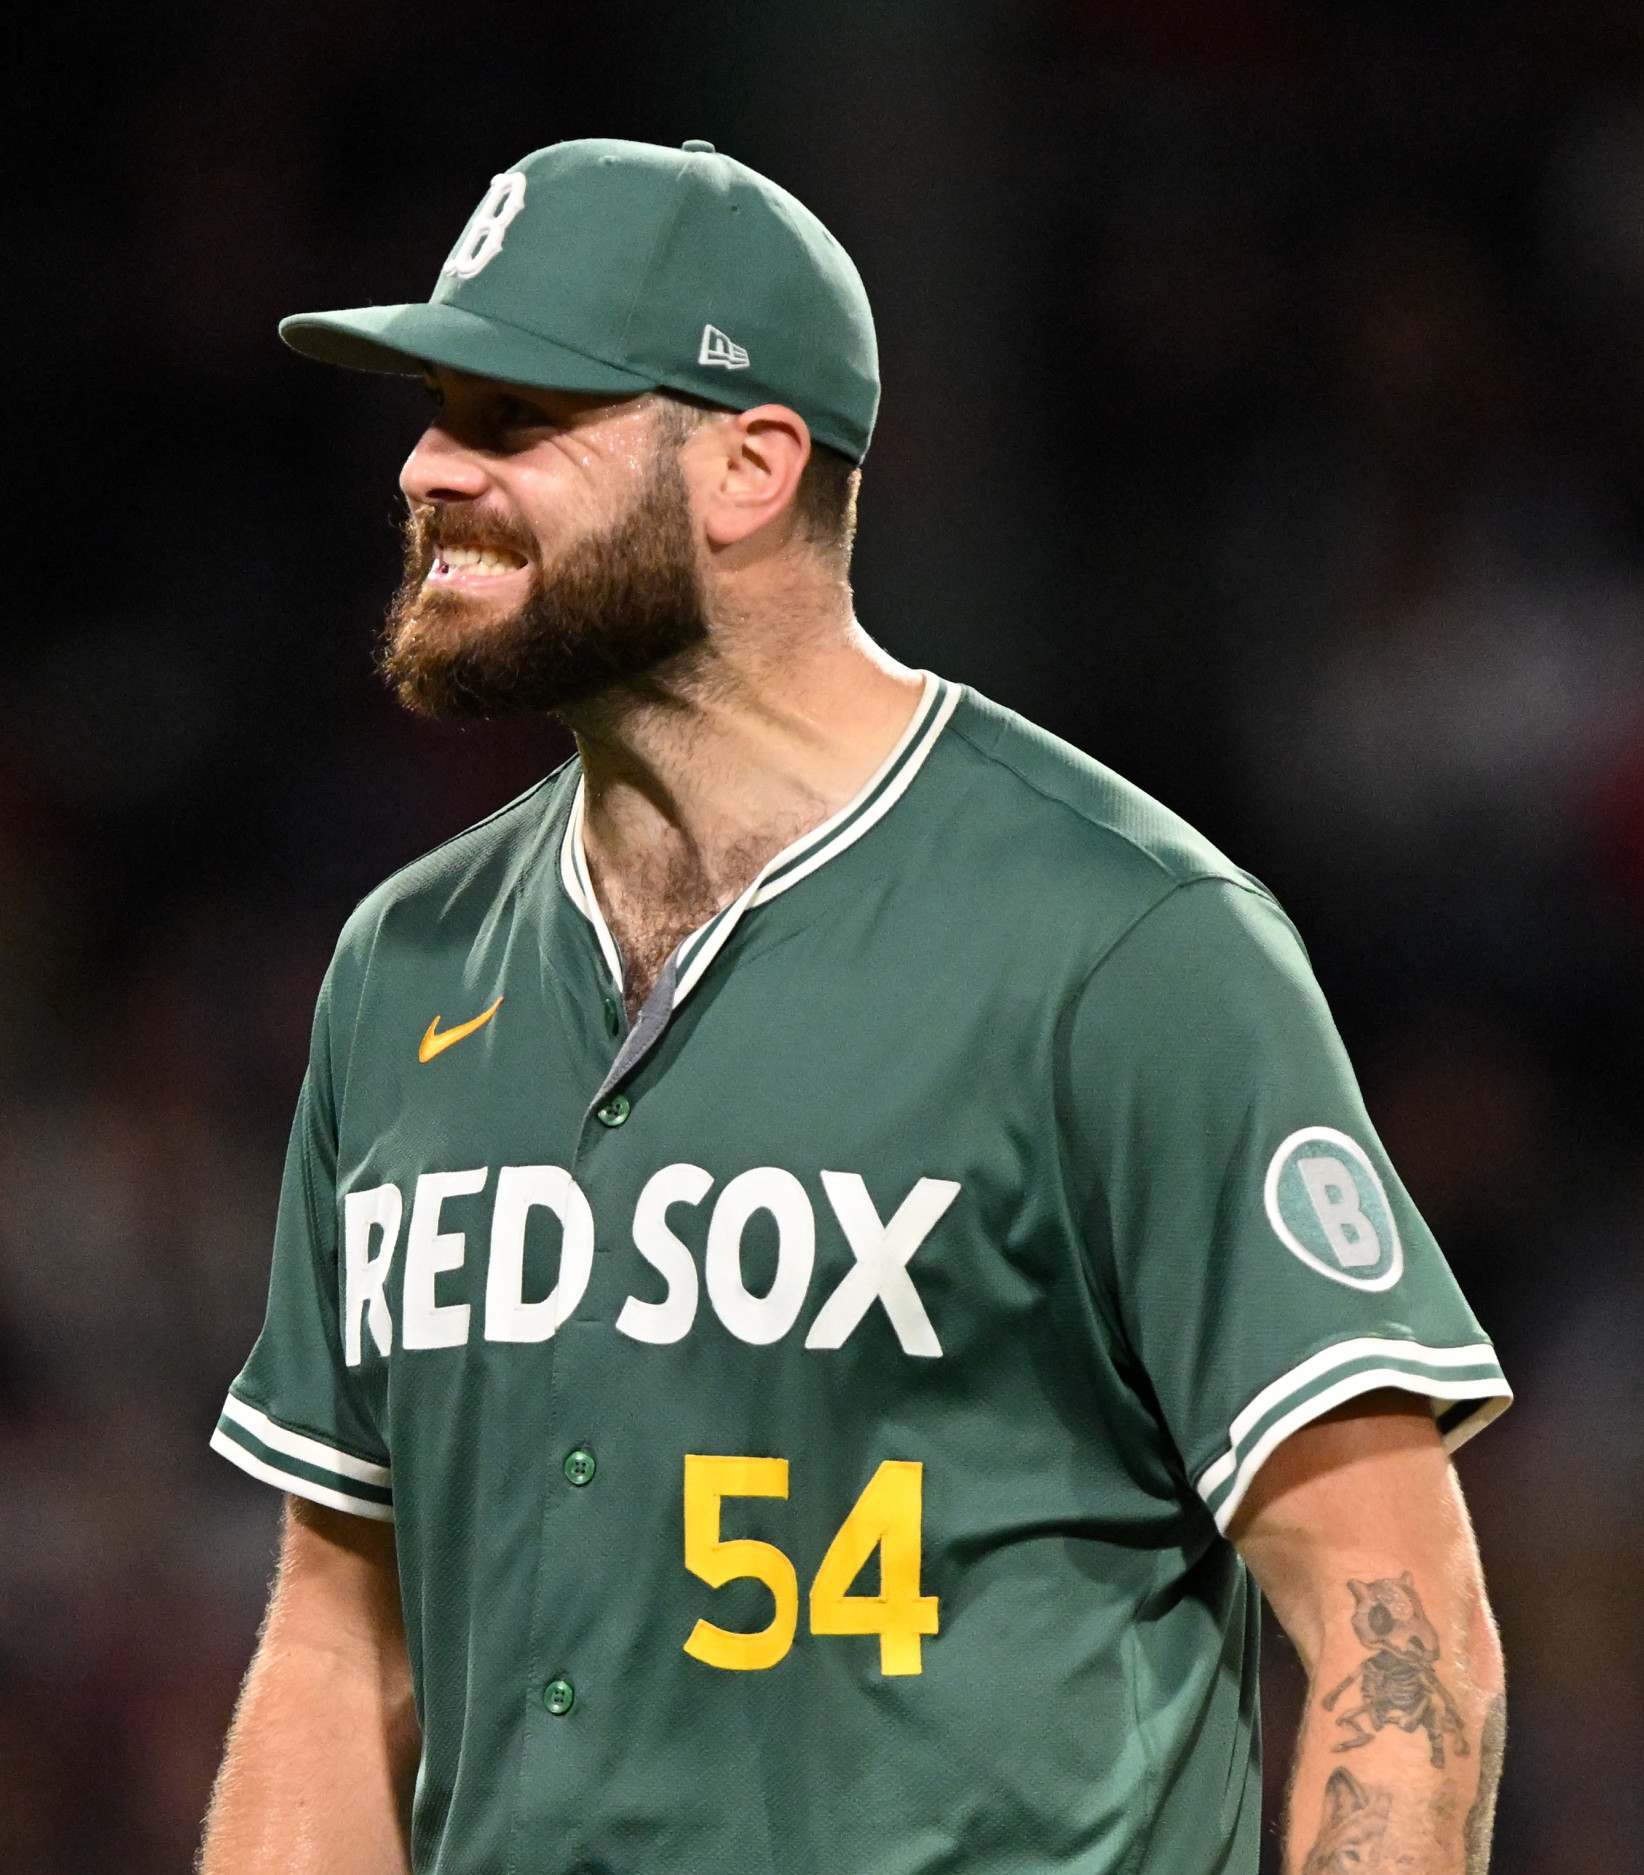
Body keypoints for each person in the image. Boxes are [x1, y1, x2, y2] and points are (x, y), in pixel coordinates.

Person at [200, 137, 1509, 1875]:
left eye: (517, 417)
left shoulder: (1123, 947)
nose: (430, 466)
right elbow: (337, 1647)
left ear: (749, 469)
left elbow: (1394, 1624)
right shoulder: (406, 965)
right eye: (438, 411)